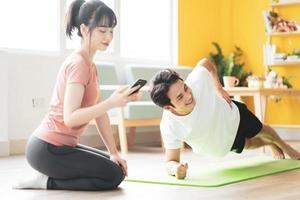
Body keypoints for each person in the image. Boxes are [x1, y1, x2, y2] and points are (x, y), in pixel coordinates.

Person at [13, 0, 140, 190]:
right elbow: (71, 118)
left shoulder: (90, 65)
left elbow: (99, 113)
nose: (108, 36)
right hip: (47, 149)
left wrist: (114, 153)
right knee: (113, 176)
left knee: (115, 167)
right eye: (102, 30)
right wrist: (111, 102)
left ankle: (48, 177)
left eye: (111, 31)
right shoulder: (79, 64)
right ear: (85, 29)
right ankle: (47, 181)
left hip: (59, 147)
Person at [149, 58, 300, 179]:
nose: (189, 95)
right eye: (180, 97)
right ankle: (270, 144)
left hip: (233, 114)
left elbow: (205, 62)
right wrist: (176, 169)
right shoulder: (169, 125)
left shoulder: (197, 80)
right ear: (168, 107)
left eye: (186, 88)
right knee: (250, 144)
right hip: (222, 142)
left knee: (261, 129)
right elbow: (170, 161)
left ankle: (283, 145)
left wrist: (218, 87)